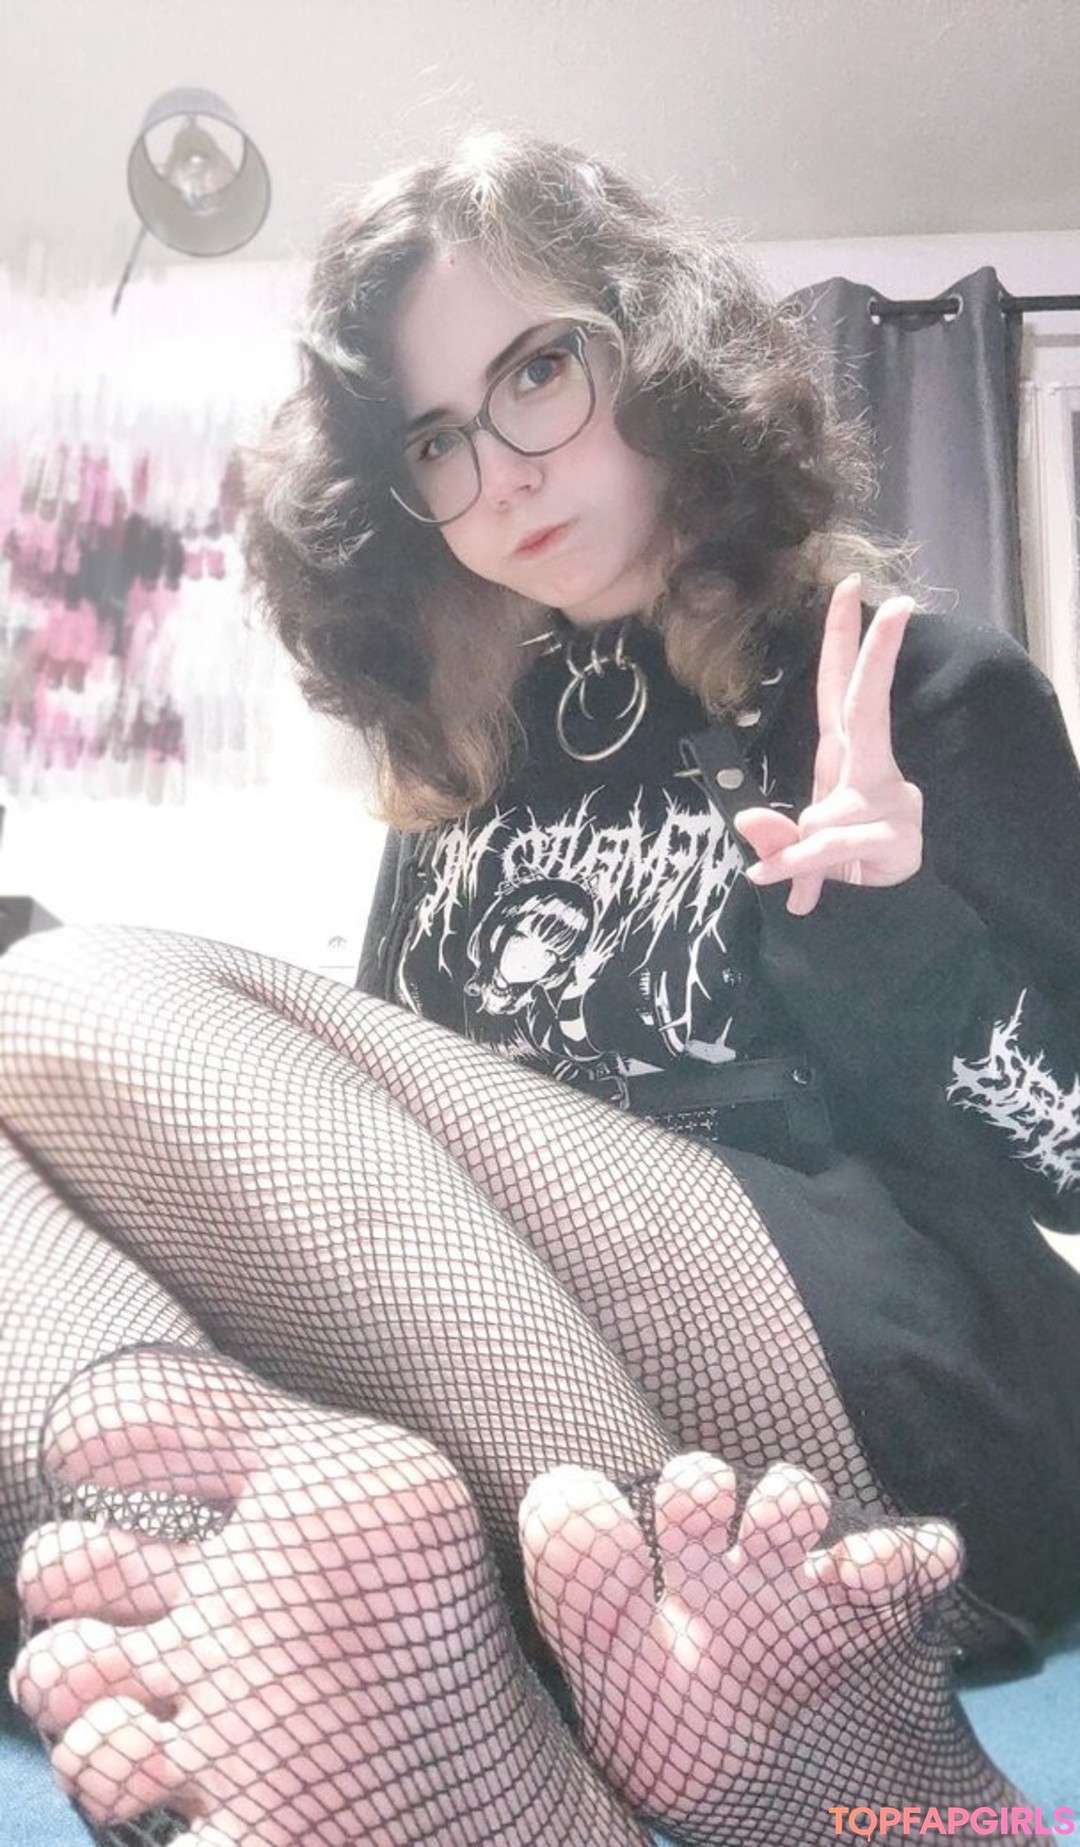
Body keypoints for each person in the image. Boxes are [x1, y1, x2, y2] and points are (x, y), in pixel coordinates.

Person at [2, 126, 1078, 1847]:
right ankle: (429, 1676)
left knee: (47, 994)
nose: (499, 472)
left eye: (537, 372)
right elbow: (393, 1187)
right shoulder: (464, 774)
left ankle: (696, 1644)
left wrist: (899, 934)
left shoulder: (910, 681)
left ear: (661, 350)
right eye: (436, 438)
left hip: (894, 1394)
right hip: (544, 1406)